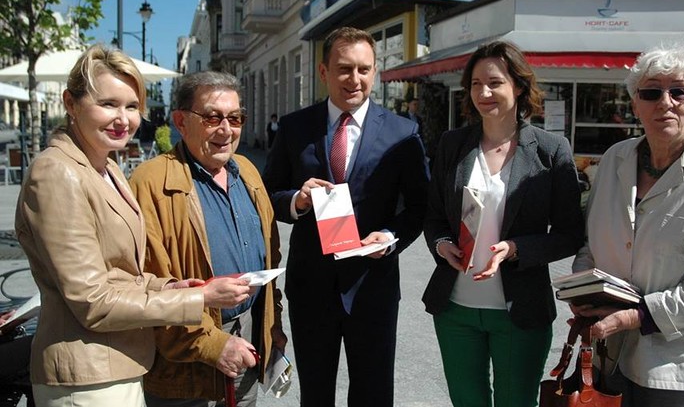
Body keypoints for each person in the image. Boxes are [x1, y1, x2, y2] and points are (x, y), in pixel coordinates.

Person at [14, 45, 252, 407]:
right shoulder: (57, 172)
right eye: (108, 104)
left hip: (117, 366)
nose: (123, 119)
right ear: (71, 103)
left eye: (131, 106)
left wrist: (170, 286)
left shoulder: (106, 167)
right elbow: (93, 302)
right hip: (85, 376)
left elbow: (121, 273)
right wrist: (200, 298)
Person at [571, 42, 684, 407]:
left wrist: (637, 315)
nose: (666, 102)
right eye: (652, 92)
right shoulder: (614, 159)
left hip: (676, 368)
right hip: (610, 356)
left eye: (679, 91)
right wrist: (584, 294)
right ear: (635, 104)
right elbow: (591, 245)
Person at [263, 26, 430, 407]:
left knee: (373, 396)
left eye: (363, 69)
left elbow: (419, 207)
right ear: (324, 72)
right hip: (311, 288)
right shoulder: (294, 128)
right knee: (315, 396)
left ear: (374, 72)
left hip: (372, 289)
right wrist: (297, 200)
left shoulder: (403, 133)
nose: (354, 79)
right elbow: (267, 195)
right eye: (344, 68)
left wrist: (390, 237)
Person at [422, 40, 585, 407]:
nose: (484, 93)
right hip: (456, 310)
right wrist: (442, 245)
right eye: (475, 84)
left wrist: (514, 249)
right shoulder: (452, 145)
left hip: (520, 311)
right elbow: (434, 216)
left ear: (519, 86)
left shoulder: (551, 150)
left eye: (494, 82)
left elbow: (570, 234)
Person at [129, 71, 286, 407]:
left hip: (246, 342)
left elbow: (270, 260)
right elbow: (146, 287)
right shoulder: (150, 182)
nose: (226, 130)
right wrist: (214, 345)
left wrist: (273, 325)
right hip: (185, 364)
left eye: (235, 118)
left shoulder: (247, 171)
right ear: (181, 122)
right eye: (212, 117)